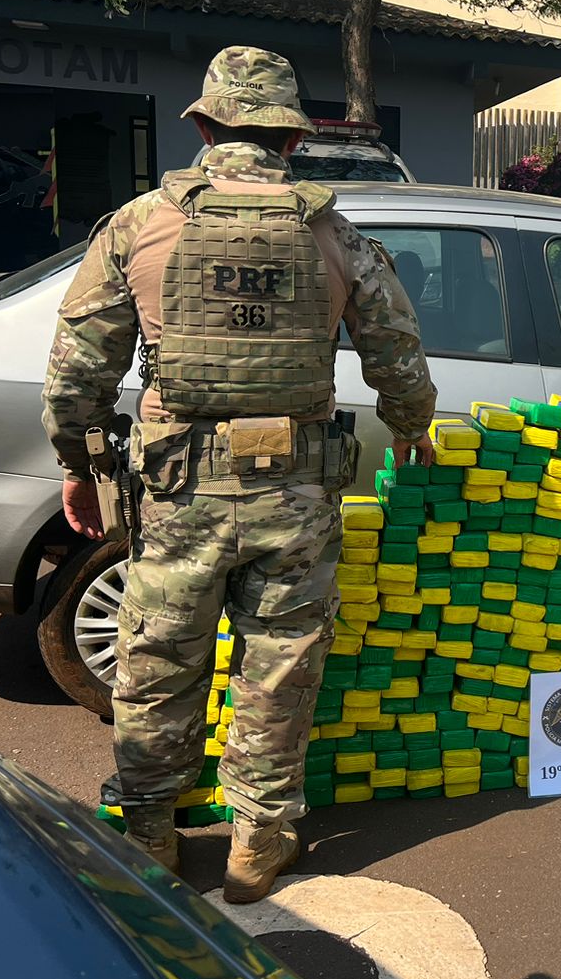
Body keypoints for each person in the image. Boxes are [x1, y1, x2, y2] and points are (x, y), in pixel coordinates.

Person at [42, 46, 437, 899]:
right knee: (281, 660)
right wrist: (412, 428)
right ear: (291, 139)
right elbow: (395, 347)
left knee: (159, 658)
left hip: (178, 488)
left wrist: (76, 461)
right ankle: (261, 838)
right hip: (294, 490)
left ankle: (151, 829)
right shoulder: (331, 230)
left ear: (207, 124)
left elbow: (80, 363)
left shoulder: (140, 222)